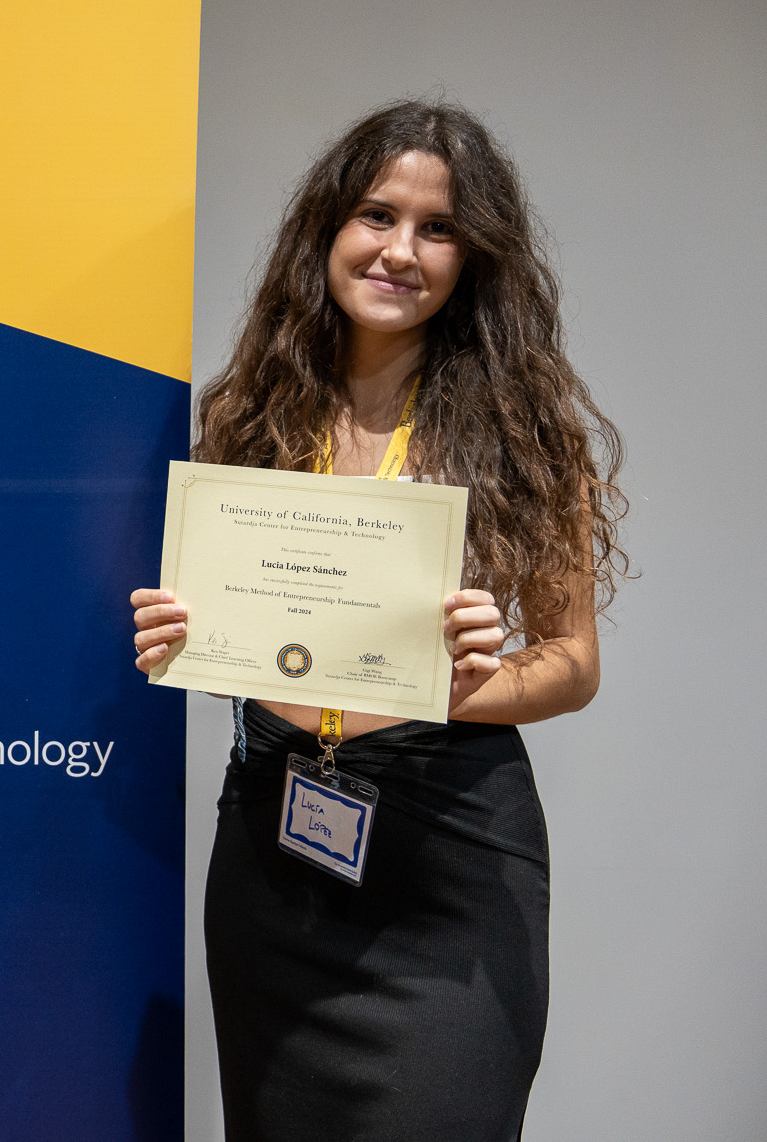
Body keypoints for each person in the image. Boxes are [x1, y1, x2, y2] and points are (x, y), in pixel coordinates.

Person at [129, 100, 625, 1141]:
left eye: (436, 228)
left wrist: (478, 686)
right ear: (326, 230)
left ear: (472, 259)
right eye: (374, 215)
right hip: (271, 849)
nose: (399, 250)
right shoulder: (249, 417)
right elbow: (260, 643)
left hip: (445, 859)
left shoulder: (526, 437)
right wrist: (190, 640)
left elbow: (572, 666)